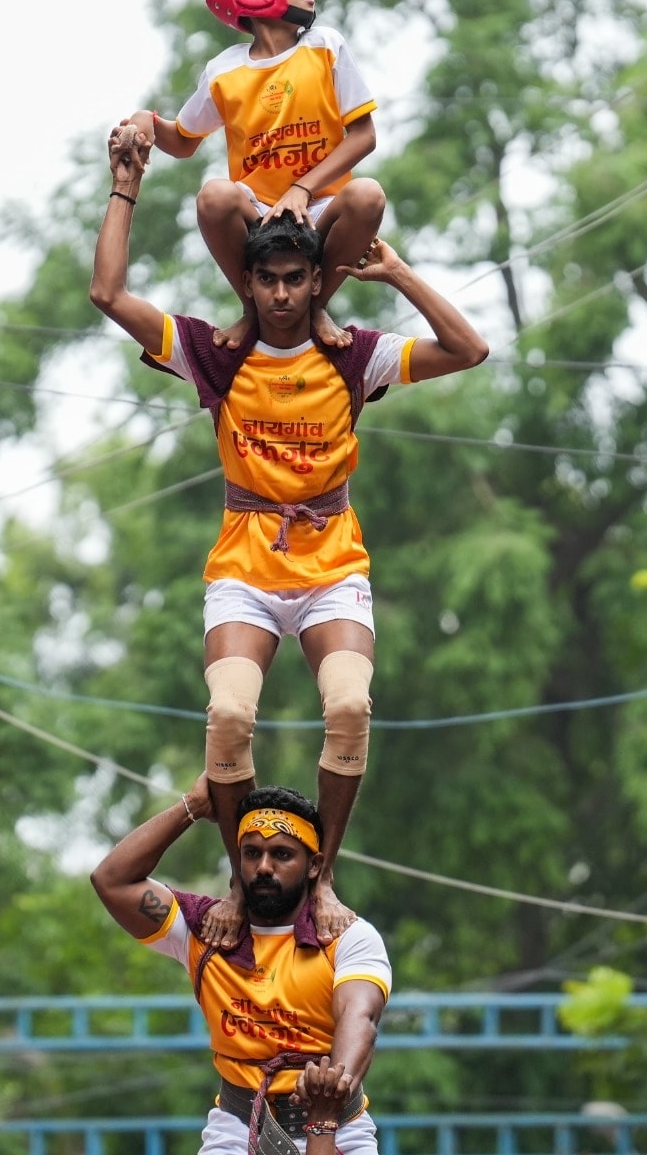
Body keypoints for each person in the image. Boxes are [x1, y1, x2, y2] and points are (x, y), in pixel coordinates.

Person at [90, 129, 488, 943]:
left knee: (348, 705)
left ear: (318, 282)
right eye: (265, 279)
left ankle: (325, 874)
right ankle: (241, 884)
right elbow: (108, 297)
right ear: (249, 282)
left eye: (294, 279)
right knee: (229, 719)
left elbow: (469, 349)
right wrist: (125, 187)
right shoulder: (215, 352)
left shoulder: (351, 356)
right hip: (244, 565)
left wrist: (399, 272)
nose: (279, 294)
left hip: (331, 564)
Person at [90, 778, 391, 1155]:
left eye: (281, 854)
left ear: (314, 865)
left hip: (338, 1124)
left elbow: (360, 1018)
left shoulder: (346, 935)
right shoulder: (208, 932)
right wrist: (194, 805)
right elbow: (111, 880)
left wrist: (328, 1100)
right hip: (236, 1130)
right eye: (251, 853)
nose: (264, 867)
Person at [120, 0, 385, 350]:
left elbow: (364, 136)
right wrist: (145, 120)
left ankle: (316, 307)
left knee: (368, 194)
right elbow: (183, 141)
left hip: (321, 207)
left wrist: (302, 189)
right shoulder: (224, 71)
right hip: (259, 214)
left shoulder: (325, 46)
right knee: (214, 196)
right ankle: (251, 310)